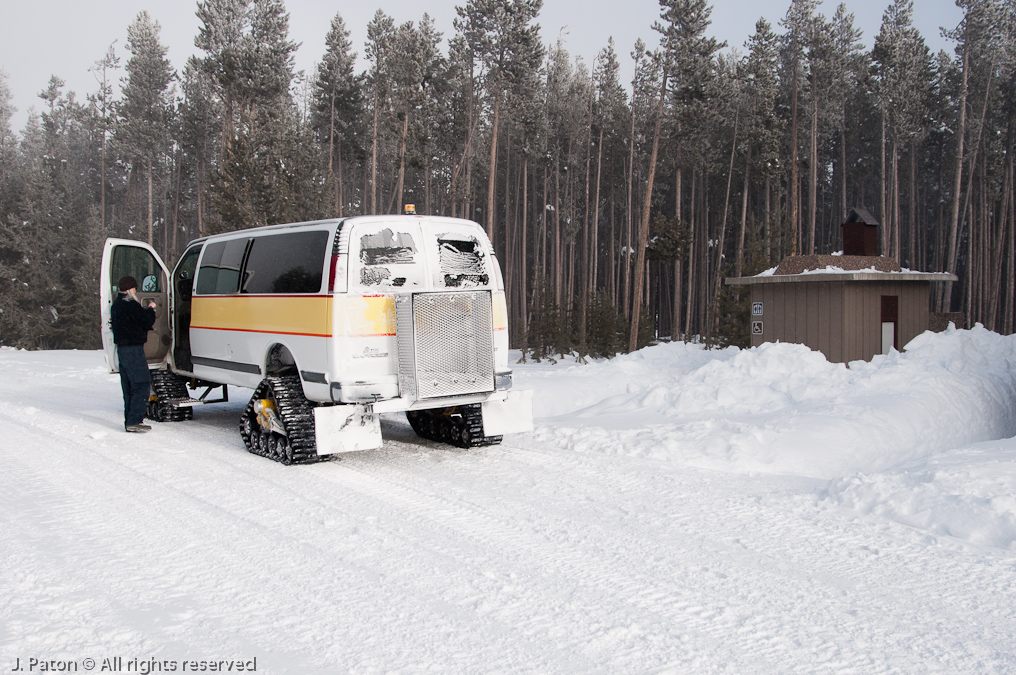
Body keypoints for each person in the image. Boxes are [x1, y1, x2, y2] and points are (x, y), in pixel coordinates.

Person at [111, 275, 157, 432]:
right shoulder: (131, 304)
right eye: (135, 288)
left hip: (122, 350)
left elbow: (133, 319)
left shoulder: (117, 304)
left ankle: (130, 420)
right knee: (142, 383)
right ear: (131, 289)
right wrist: (151, 309)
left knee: (129, 386)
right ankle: (135, 421)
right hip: (133, 349)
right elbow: (145, 320)